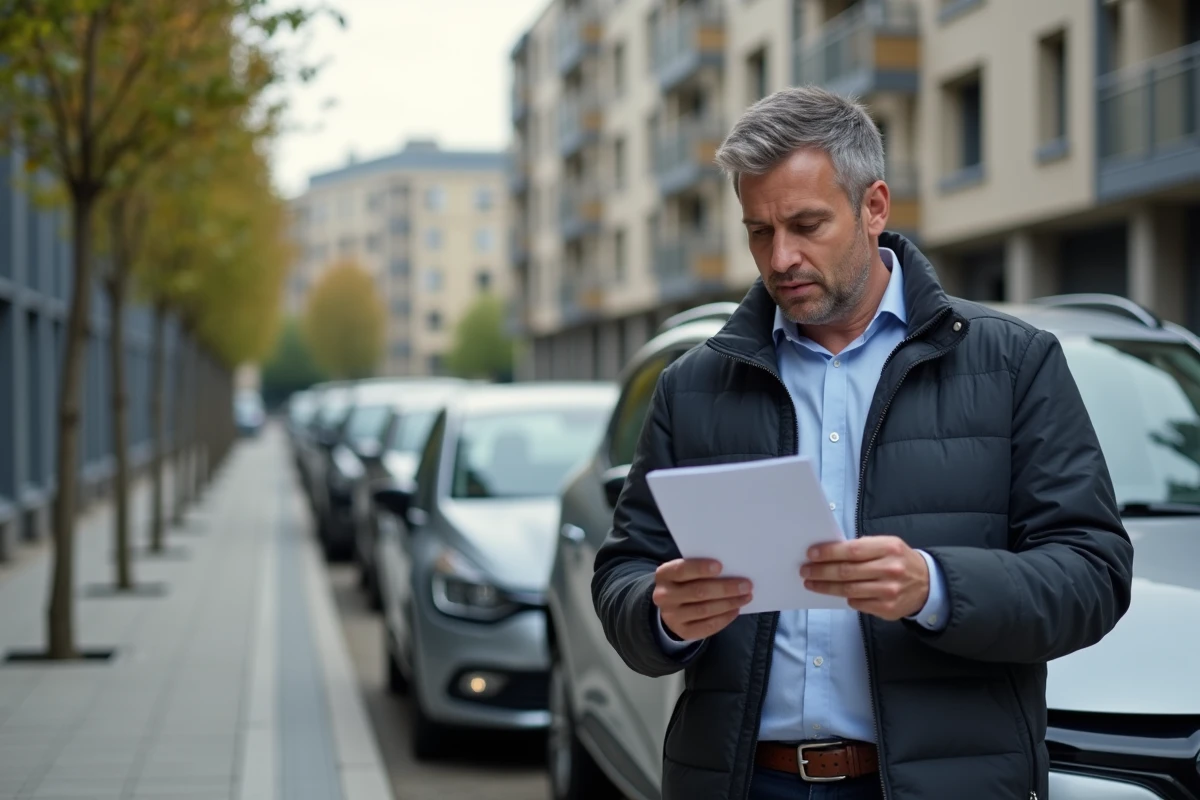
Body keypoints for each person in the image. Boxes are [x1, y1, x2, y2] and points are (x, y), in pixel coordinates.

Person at [591, 86, 1133, 800]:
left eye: (806, 224)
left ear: (874, 206)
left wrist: (934, 589)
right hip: (744, 782)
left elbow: (1094, 574)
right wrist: (660, 615)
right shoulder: (694, 384)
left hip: (940, 785)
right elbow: (625, 571)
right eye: (759, 231)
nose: (780, 257)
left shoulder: (1015, 364)